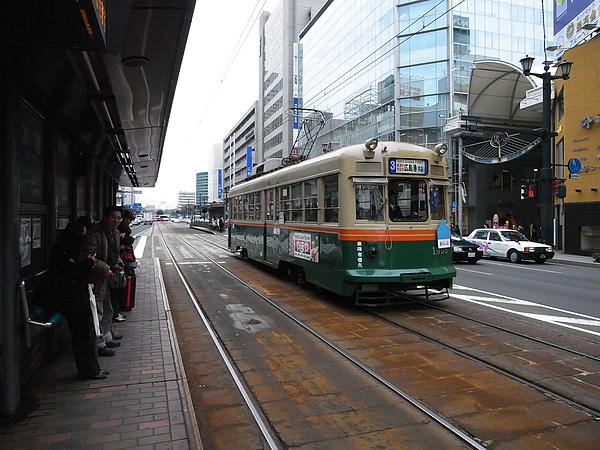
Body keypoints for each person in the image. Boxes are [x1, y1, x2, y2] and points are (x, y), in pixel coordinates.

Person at [48, 220, 109, 380]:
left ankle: (93, 368)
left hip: (74, 295)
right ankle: (90, 370)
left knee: (85, 335)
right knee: (83, 336)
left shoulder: (63, 247)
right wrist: (89, 261)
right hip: (73, 298)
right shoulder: (68, 250)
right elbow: (77, 273)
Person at [85, 205, 124, 357]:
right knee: (98, 310)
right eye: (113, 217)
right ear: (105, 218)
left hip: (110, 275)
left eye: (119, 218)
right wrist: (104, 268)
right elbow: (89, 256)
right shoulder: (94, 234)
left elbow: (115, 252)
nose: (116, 220)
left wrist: (118, 262)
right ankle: (98, 344)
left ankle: (106, 337)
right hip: (97, 277)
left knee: (108, 308)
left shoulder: (115, 233)